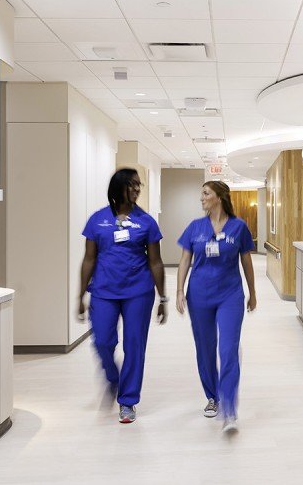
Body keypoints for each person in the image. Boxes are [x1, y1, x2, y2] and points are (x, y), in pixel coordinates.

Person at [77, 168, 168, 424]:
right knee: (103, 342)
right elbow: (89, 258)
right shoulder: (97, 220)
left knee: (134, 346)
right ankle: (113, 378)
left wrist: (163, 298)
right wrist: (79, 296)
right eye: (132, 185)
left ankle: (128, 401)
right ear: (119, 187)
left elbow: (156, 262)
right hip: (104, 292)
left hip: (138, 292)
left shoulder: (147, 222)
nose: (137, 189)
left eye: (139, 185)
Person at [176, 181, 257, 434]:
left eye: (205, 193)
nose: (201, 198)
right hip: (199, 296)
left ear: (219, 197)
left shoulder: (239, 226)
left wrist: (252, 292)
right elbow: (185, 260)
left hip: (230, 295)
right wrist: (179, 290)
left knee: (228, 348)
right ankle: (213, 396)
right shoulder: (195, 227)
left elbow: (246, 261)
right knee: (205, 348)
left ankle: (230, 408)